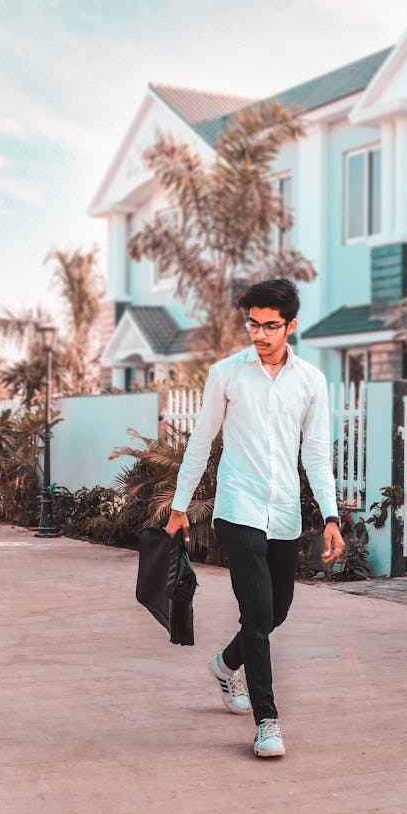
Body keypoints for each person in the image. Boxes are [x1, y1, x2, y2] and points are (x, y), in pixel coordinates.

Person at [166, 278, 344, 758]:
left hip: (283, 511)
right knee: (258, 614)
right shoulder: (226, 374)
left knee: (278, 608)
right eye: (253, 324)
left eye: (270, 326)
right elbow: (201, 440)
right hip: (238, 509)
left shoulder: (310, 381)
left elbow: (318, 454)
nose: (260, 334)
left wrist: (331, 515)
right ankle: (268, 721)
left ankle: (226, 664)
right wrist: (181, 506)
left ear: (291, 326)